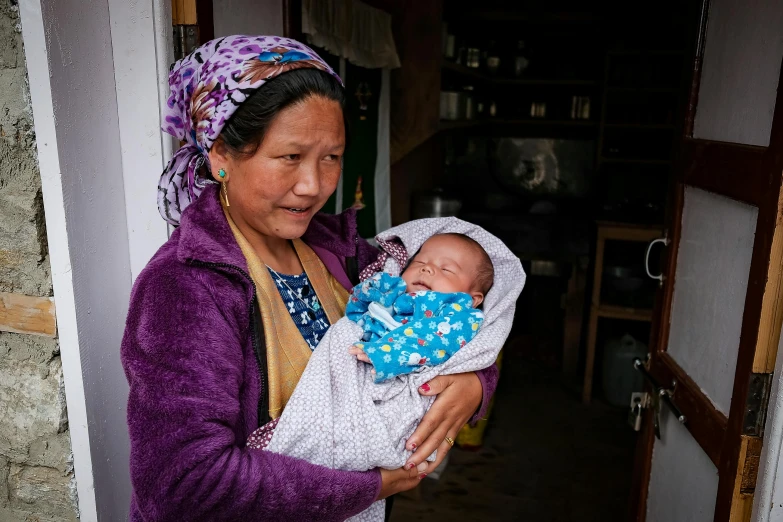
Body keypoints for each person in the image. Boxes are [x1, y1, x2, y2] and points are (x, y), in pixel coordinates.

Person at [121, 35, 499, 521]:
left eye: (331, 157)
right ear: (221, 156)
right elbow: (188, 483)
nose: (314, 186)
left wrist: (472, 383)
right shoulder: (185, 288)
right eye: (290, 157)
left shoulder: (333, 249)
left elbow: (467, 296)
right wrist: (371, 486)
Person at [349, 233, 494, 380]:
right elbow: (355, 310)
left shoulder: (462, 316)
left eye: (446, 269)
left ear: (473, 299)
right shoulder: (396, 291)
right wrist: (372, 289)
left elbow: (437, 342)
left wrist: (385, 354)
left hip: (397, 364)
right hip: (361, 353)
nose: (427, 268)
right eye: (419, 262)